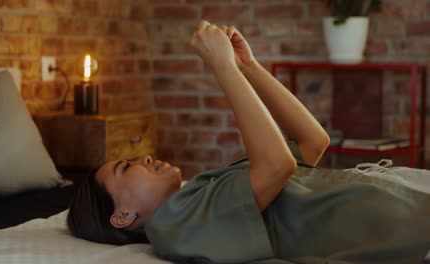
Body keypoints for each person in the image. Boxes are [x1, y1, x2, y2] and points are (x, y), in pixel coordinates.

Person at [67, 20, 430, 264]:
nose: (143, 157)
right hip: (401, 225)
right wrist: (220, 67)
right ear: (122, 216)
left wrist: (247, 67)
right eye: (124, 167)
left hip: (403, 196)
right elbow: (278, 165)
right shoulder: (171, 228)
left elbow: (313, 141)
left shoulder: (204, 192)